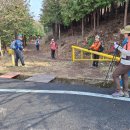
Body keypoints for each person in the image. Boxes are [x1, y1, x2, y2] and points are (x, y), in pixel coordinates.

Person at [112, 25, 130, 98]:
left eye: (125, 33)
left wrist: (117, 47)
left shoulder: (129, 41)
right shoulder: (128, 40)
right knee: (125, 76)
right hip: (127, 63)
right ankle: (125, 92)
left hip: (125, 63)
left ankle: (119, 91)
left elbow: (128, 53)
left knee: (115, 75)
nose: (124, 34)